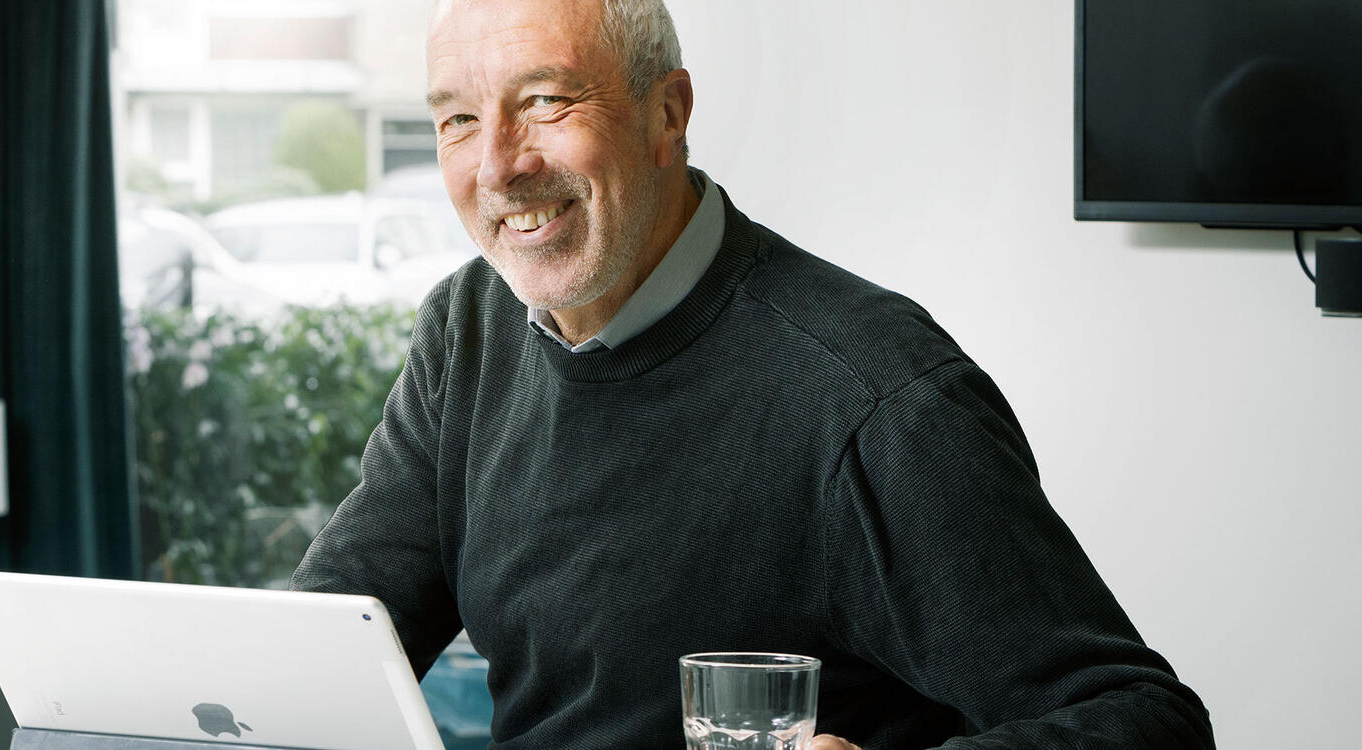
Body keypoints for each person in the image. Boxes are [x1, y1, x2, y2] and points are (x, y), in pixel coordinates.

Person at [289, 0, 1216, 748]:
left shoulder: (873, 397)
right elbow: (333, 643)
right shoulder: (469, 329)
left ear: (667, 113)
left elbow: (1144, 721)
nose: (499, 165)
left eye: (546, 102)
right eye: (458, 120)